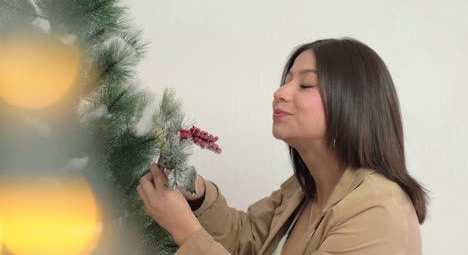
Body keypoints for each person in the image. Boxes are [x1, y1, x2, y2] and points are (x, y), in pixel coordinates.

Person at [137, 38, 428, 254]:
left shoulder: (378, 211)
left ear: (352, 104)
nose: (279, 92)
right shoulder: (303, 191)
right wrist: (193, 189)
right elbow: (244, 238)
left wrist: (184, 230)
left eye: (305, 85)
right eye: (286, 81)